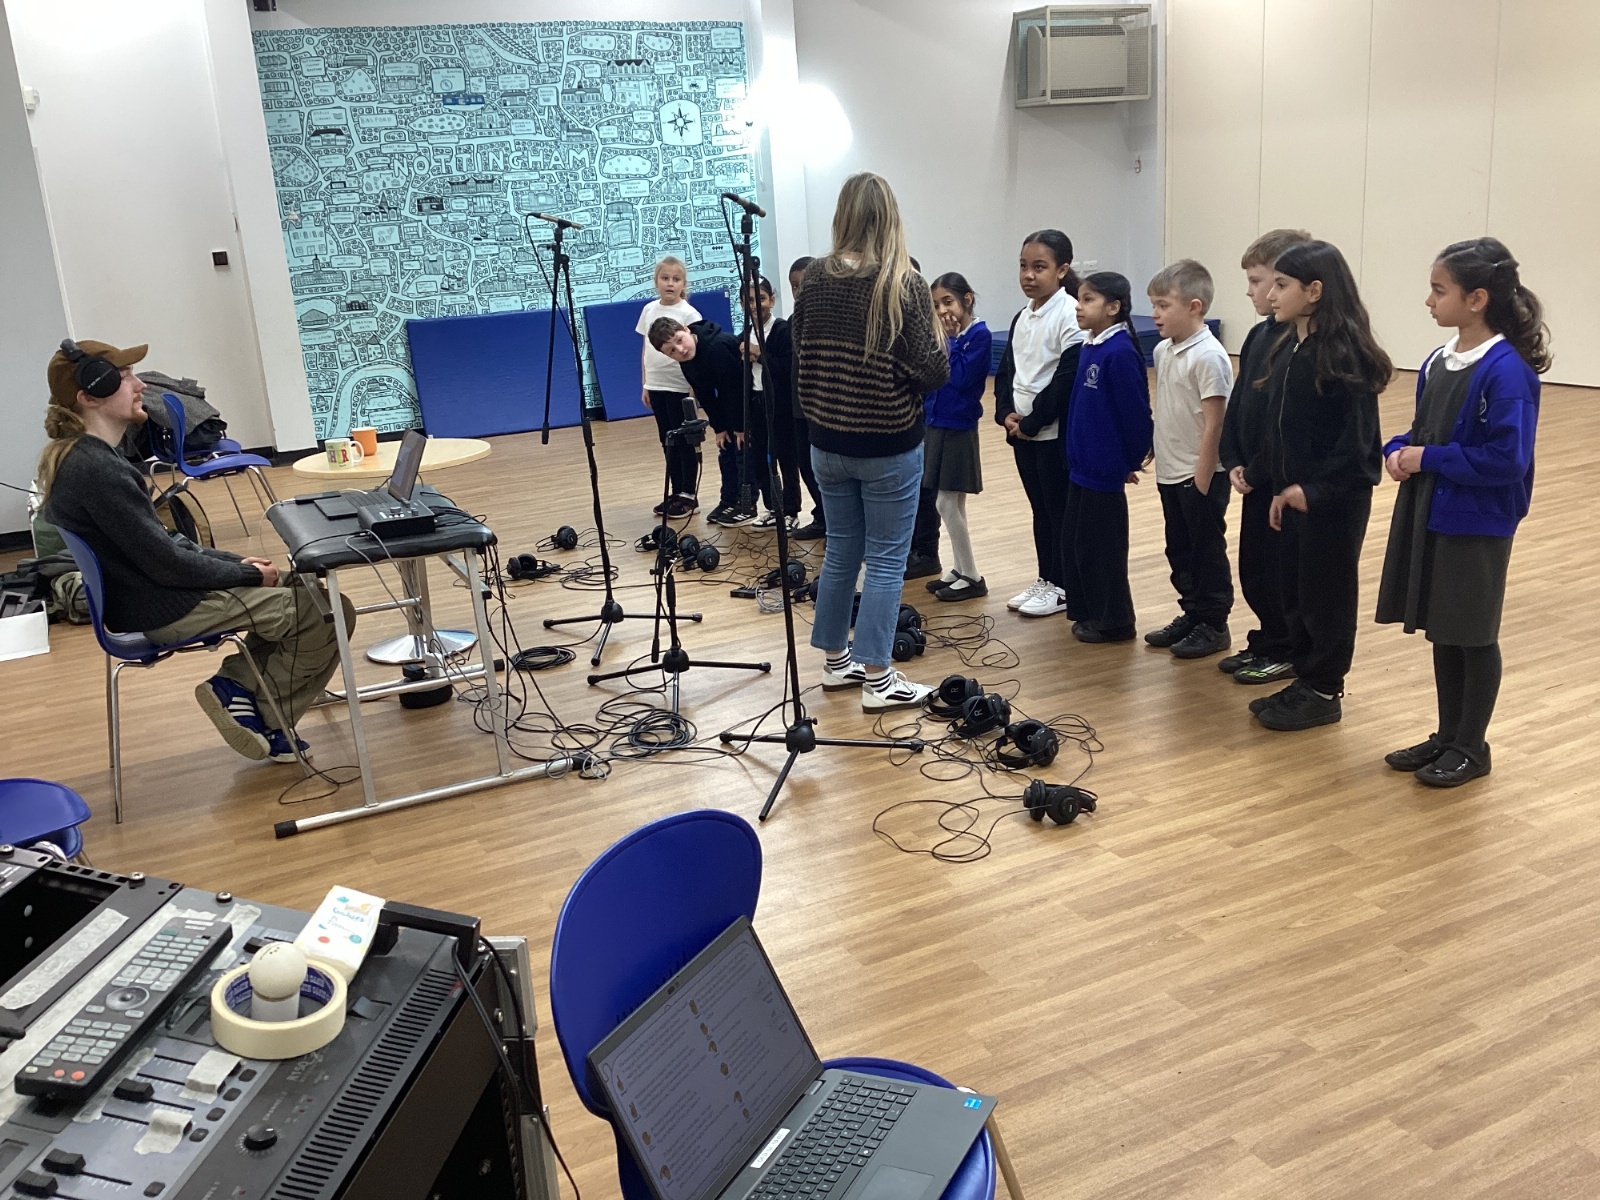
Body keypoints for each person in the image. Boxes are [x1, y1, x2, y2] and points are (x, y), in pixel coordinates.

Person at [38, 340, 354, 763]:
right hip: (166, 606)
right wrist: (246, 575)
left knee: (309, 594)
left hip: (154, 596)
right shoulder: (97, 470)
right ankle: (263, 713)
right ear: (90, 395)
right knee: (327, 613)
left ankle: (239, 690)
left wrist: (236, 563)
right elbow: (167, 563)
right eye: (126, 377)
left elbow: (165, 544)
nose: (140, 385)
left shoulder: (85, 458)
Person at [1375, 239, 1548, 787]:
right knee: (1444, 629)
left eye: (1438, 290)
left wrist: (1427, 458)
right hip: (1433, 509)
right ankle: (1448, 735)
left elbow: (1507, 459)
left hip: (1477, 519)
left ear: (1476, 299)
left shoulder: (1507, 372)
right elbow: (1425, 431)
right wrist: (1397, 450)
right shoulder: (1438, 361)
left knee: (1472, 632)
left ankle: (1472, 746)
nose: (1429, 301)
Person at [792, 172, 948, 711]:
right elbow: (931, 370)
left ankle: (836, 663)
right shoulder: (902, 283)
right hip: (887, 444)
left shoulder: (814, 277)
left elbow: (801, 348)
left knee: (841, 550)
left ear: (843, 215)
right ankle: (879, 680)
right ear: (890, 217)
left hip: (825, 440)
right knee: (884, 560)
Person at [1243, 240, 1391, 731]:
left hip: (1332, 503)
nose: (1271, 294)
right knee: (1296, 590)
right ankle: (1306, 678)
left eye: (1282, 285)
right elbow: (1282, 428)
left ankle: (1325, 688)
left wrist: (1314, 491)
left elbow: (1359, 450)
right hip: (1292, 496)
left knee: (1327, 596)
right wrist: (1267, 478)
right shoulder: (1291, 346)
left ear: (1315, 291)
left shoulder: (1343, 355)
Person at [1220, 229, 1312, 684]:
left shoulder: (1297, 343)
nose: (1255, 292)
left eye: (1260, 281)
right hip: (1253, 475)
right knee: (1253, 567)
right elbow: (1240, 404)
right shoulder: (1259, 335)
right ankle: (1266, 638)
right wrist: (1232, 457)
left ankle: (1285, 646)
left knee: (1279, 572)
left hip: (1278, 479)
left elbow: (1284, 422)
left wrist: (1258, 469)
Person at [1145, 259, 1236, 659]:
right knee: (1179, 550)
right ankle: (1192, 613)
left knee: (1205, 551)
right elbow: (1171, 406)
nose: (1155, 314)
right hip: (1170, 469)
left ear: (1194, 307)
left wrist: (1202, 477)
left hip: (1199, 473)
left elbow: (1215, 423)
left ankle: (1214, 623)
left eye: (1164, 305)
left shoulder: (1209, 357)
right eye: (1154, 305)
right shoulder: (1163, 350)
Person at [993, 230, 1085, 618]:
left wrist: (1033, 422)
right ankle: (1046, 577)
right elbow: (1007, 371)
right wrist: (1005, 413)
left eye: (1039, 267)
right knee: (1040, 509)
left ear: (1062, 270)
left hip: (1051, 434)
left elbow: (1066, 378)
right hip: (1024, 432)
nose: (1028, 275)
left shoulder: (1070, 314)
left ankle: (1063, 585)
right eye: (1023, 266)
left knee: (1058, 510)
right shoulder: (1023, 316)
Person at [1062, 272, 1152, 642]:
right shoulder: (1090, 346)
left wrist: (1129, 461)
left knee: (1104, 550)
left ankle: (1116, 622)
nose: (1079, 307)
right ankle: (1090, 612)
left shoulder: (1119, 352)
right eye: (1079, 299)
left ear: (1113, 307)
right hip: (1082, 467)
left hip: (1104, 470)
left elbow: (1135, 414)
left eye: (1088, 300)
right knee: (1080, 545)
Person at [920, 272, 991, 601]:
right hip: (937, 422)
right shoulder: (950, 336)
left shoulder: (979, 335)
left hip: (958, 426)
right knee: (952, 502)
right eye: (936, 305)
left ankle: (972, 575)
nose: (942, 311)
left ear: (967, 299)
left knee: (945, 502)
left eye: (947, 301)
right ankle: (962, 568)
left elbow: (960, 378)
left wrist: (950, 340)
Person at [649, 317, 754, 526]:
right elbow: (705, 394)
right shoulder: (687, 361)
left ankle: (747, 505)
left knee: (744, 454)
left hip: (748, 400)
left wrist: (740, 426)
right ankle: (728, 500)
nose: (680, 350)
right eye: (671, 351)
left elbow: (736, 389)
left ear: (686, 329)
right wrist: (720, 428)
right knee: (726, 451)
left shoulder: (717, 347)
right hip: (728, 404)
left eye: (680, 340)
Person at [636, 257, 702, 518]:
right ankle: (676, 491)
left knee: (685, 440)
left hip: (680, 387)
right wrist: (646, 383)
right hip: (656, 385)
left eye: (676, 279)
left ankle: (688, 494)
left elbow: (695, 354)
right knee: (668, 439)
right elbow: (645, 349)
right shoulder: (649, 310)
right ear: (657, 281)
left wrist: (693, 389)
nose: (670, 284)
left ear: (684, 283)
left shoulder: (689, 313)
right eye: (665, 278)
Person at [739, 276, 801, 528]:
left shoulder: (783, 330)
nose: (755, 306)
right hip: (756, 401)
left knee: (786, 457)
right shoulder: (744, 335)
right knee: (761, 458)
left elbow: (787, 368)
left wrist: (759, 355)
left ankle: (791, 510)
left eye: (761, 299)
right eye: (749, 301)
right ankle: (772, 507)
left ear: (772, 300)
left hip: (781, 404)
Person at [787, 256, 828, 540]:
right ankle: (822, 517)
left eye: (804, 285)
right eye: (794, 286)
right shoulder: (794, 321)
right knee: (806, 466)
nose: (799, 292)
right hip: (799, 406)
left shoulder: (831, 321)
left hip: (823, 409)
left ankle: (837, 524)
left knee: (826, 470)